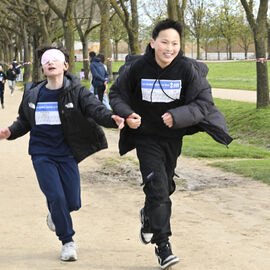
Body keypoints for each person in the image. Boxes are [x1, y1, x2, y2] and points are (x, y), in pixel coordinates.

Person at [109, 19, 233, 269]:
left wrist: (178, 116)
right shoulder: (138, 67)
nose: (170, 48)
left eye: (175, 43)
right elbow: (117, 94)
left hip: (172, 138)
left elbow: (203, 102)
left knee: (165, 188)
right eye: (164, 42)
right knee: (157, 188)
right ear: (153, 42)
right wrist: (128, 114)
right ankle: (163, 245)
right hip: (145, 137)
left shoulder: (188, 69)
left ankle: (148, 216)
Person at [0, 45, 124, 262]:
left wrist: (111, 119)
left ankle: (55, 215)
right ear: (42, 68)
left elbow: (96, 109)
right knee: (56, 196)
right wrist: (10, 132)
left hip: (67, 154)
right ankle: (67, 241)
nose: (50, 62)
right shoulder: (33, 93)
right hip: (41, 153)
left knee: (73, 202)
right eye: (46, 60)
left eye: (55, 59)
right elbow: (24, 121)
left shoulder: (77, 92)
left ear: (65, 65)